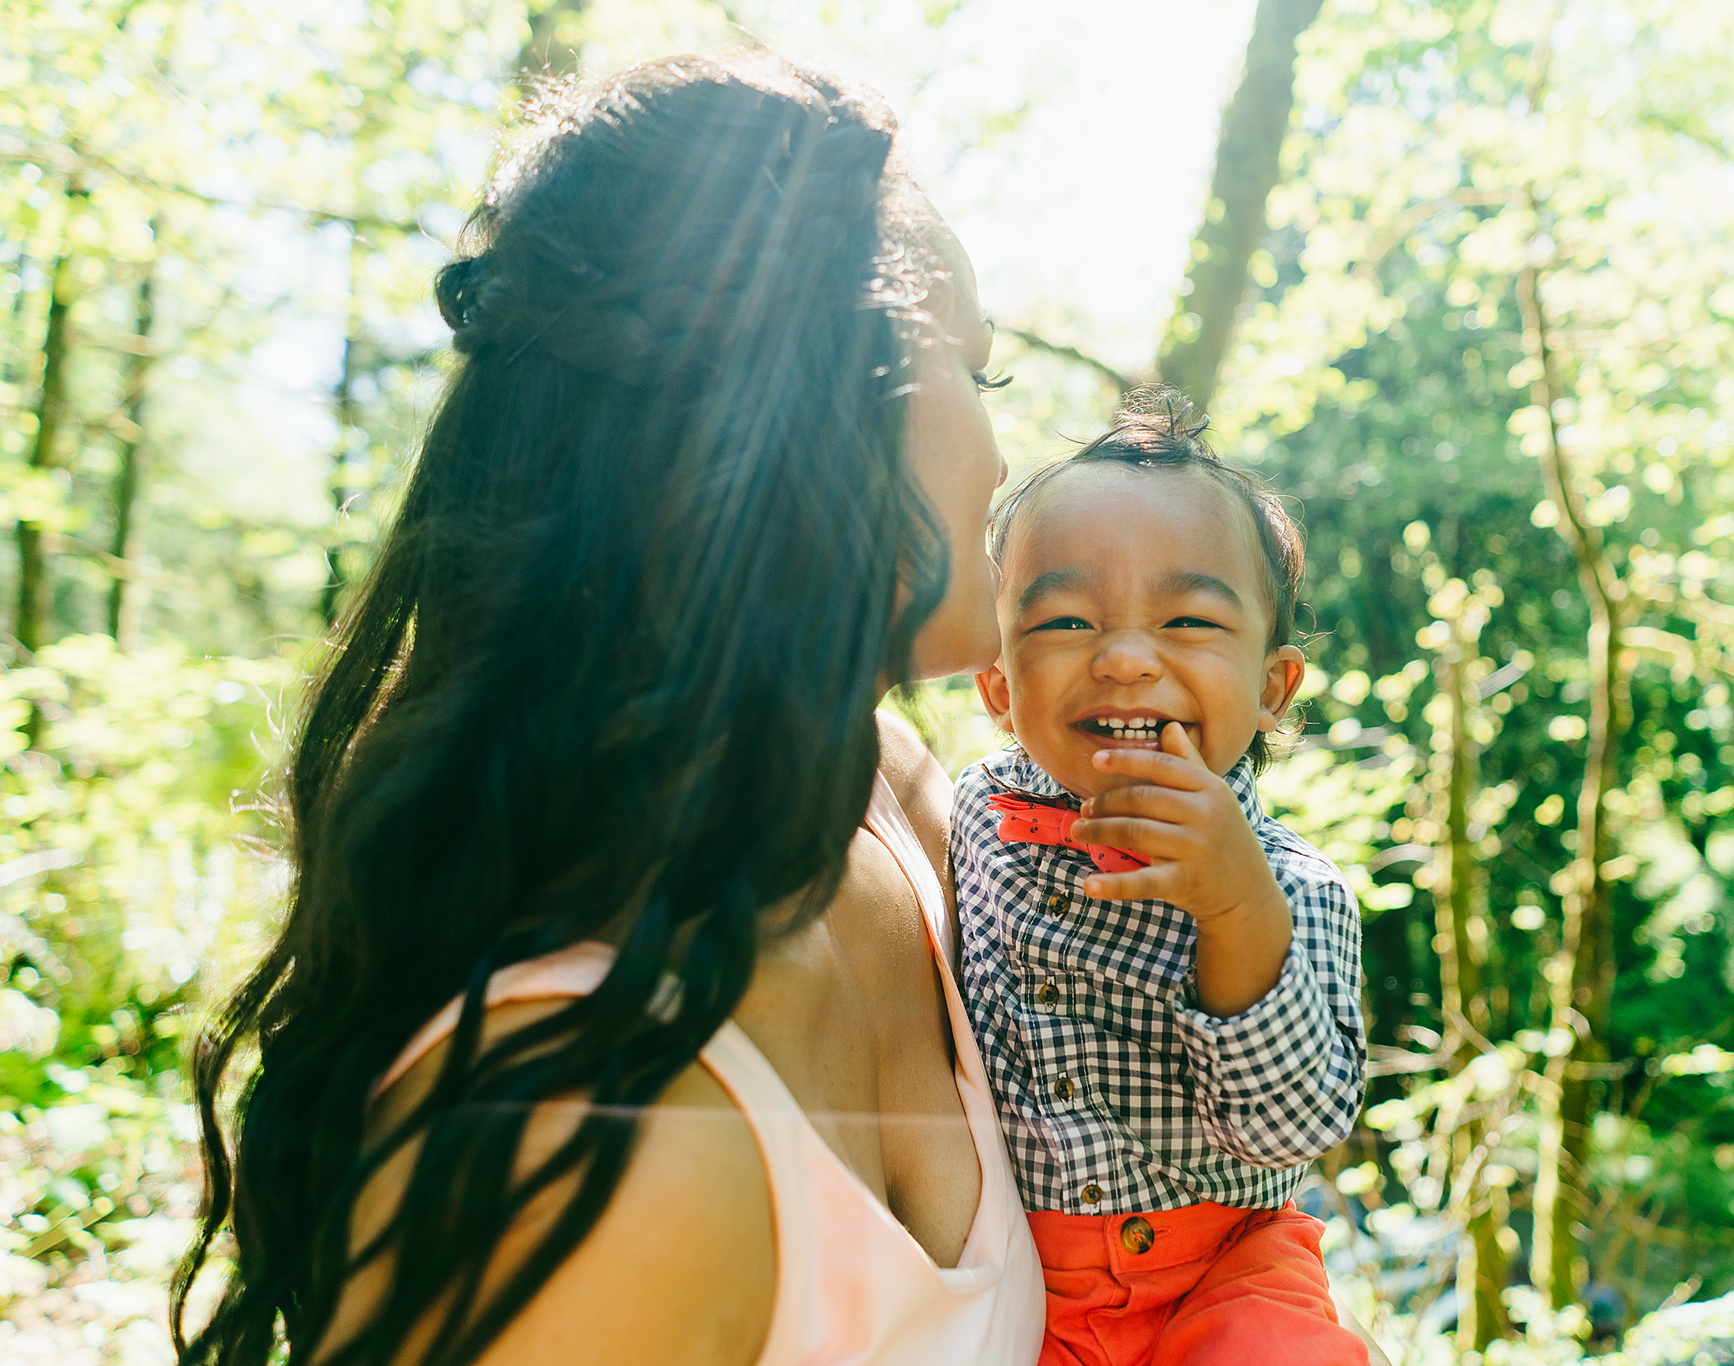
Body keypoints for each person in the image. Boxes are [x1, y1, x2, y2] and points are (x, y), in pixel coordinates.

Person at [174, 53, 1045, 1366]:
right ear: (811, 405)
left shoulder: (888, 790)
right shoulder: (567, 1142)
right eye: (971, 377)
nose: (999, 456)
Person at [953, 393, 1378, 1366]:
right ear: (995, 682)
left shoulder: (1293, 890)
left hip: (1227, 1269)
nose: (1124, 659)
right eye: (1064, 619)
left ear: (1270, 688)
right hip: (1022, 1279)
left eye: (1186, 619)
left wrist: (1233, 909)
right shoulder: (971, 814)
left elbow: (1290, 1130)